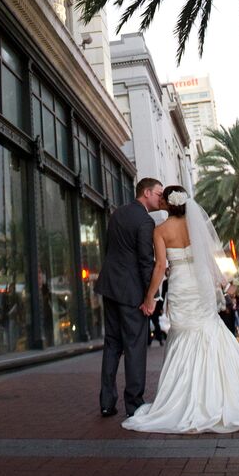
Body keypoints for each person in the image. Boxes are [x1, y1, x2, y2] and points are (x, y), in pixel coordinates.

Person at [122, 186, 239, 434]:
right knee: (211, 331)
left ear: (168, 205)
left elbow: (160, 266)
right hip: (200, 287)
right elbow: (211, 261)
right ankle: (223, 395)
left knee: (184, 337)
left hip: (181, 286)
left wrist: (150, 297)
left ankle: (186, 398)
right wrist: (226, 285)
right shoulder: (195, 227)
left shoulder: (160, 231)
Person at [95, 177, 164, 417]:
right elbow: (146, 262)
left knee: (112, 344)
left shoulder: (117, 214)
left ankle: (106, 402)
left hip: (109, 286)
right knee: (135, 346)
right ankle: (134, 403)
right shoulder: (145, 221)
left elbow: (109, 249)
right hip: (131, 292)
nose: (160, 198)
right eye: (158, 194)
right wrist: (150, 296)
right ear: (146, 193)